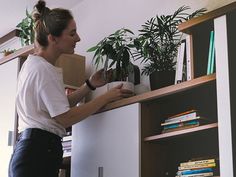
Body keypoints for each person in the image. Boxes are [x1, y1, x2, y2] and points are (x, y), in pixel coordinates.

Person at [8, 1, 133, 177]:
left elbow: (57, 106)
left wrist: (89, 85)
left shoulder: (34, 65)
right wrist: (105, 97)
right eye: (72, 33)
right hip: (37, 153)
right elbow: (65, 118)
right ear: (53, 38)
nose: (78, 39)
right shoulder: (44, 69)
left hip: (32, 152)